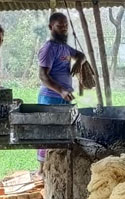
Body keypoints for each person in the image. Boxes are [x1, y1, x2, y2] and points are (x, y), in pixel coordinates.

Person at [35, 12, 86, 177]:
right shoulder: (49, 48)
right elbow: (43, 76)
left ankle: (56, 168)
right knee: (47, 132)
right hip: (51, 96)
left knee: (63, 132)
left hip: (63, 97)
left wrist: (78, 62)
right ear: (51, 27)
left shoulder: (63, 47)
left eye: (65, 26)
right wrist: (61, 90)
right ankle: (41, 170)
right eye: (60, 26)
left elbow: (81, 55)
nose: (64, 29)